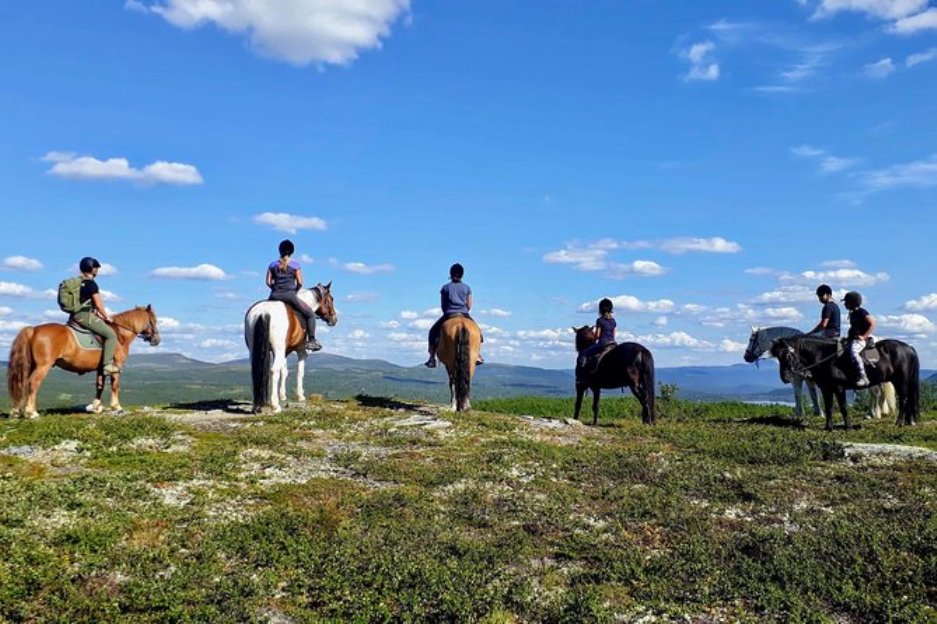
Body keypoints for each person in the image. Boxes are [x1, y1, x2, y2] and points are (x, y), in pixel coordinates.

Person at [424, 263, 483, 368]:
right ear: (462, 275)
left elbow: (443, 306)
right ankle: (477, 355)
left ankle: (432, 358)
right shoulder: (467, 288)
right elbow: (469, 305)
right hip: (464, 313)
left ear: (450, 274)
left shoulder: (445, 288)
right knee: (478, 332)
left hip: (449, 314)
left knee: (432, 332)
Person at [266, 239, 322, 352]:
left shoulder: (272, 265)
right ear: (292, 252)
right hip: (290, 296)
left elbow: (268, 281)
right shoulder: (295, 265)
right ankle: (311, 340)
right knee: (310, 314)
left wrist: (275, 289)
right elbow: (300, 282)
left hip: (274, 296)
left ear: (280, 250)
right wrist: (294, 291)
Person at [72, 256, 121, 376]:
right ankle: (107, 365)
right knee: (111, 335)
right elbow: (99, 304)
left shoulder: (76, 283)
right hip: (85, 316)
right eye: (96, 268)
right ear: (92, 269)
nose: (97, 270)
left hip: (74, 315)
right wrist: (106, 316)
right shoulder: (91, 284)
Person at [843, 291, 875, 387]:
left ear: (852, 303)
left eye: (846, 302)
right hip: (852, 338)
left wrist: (863, 336)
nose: (845, 304)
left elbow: (872, 324)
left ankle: (863, 377)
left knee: (853, 352)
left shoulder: (862, 312)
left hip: (860, 340)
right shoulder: (853, 313)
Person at [577, 297, 617, 374]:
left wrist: (594, 341)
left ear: (601, 309)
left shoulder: (600, 320)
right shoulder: (613, 321)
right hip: (613, 344)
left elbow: (597, 335)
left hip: (603, 343)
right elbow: (614, 334)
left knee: (585, 353)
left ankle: (582, 375)